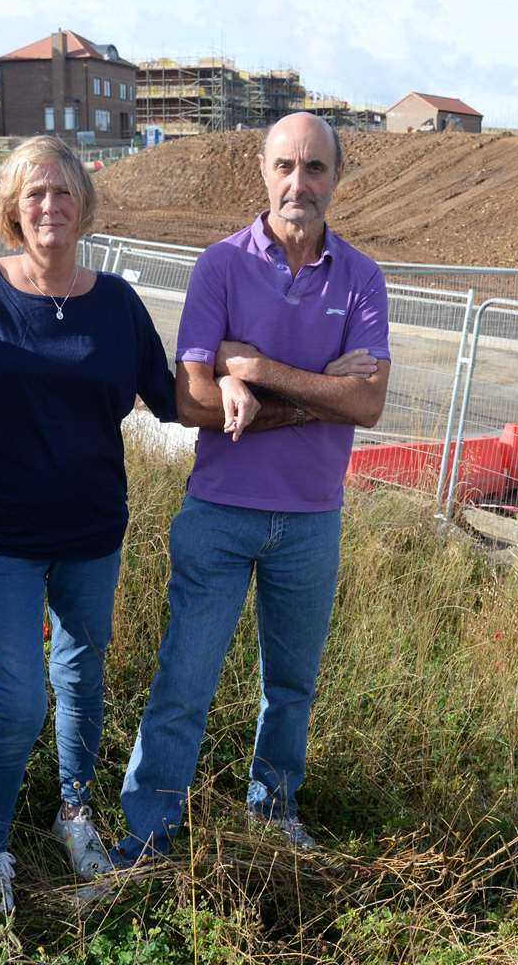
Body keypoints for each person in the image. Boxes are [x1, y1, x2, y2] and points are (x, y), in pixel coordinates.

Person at [0, 135, 175, 915]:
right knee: (20, 698)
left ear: (83, 204)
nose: (49, 206)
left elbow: (170, 397)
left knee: (83, 679)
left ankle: (74, 813)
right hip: (2, 529)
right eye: (34, 195)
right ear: (12, 209)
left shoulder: (117, 302)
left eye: (62, 193)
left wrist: (250, 382)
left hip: (92, 527)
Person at [111, 111, 391, 869]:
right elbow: (193, 403)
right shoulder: (220, 267)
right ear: (263, 173)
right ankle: (147, 835)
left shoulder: (362, 277)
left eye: (316, 169)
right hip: (220, 515)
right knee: (185, 681)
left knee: (291, 686)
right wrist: (313, 398)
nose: (299, 182)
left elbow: (367, 404)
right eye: (285, 167)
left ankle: (272, 813)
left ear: (338, 178)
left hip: (311, 521)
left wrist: (259, 370)